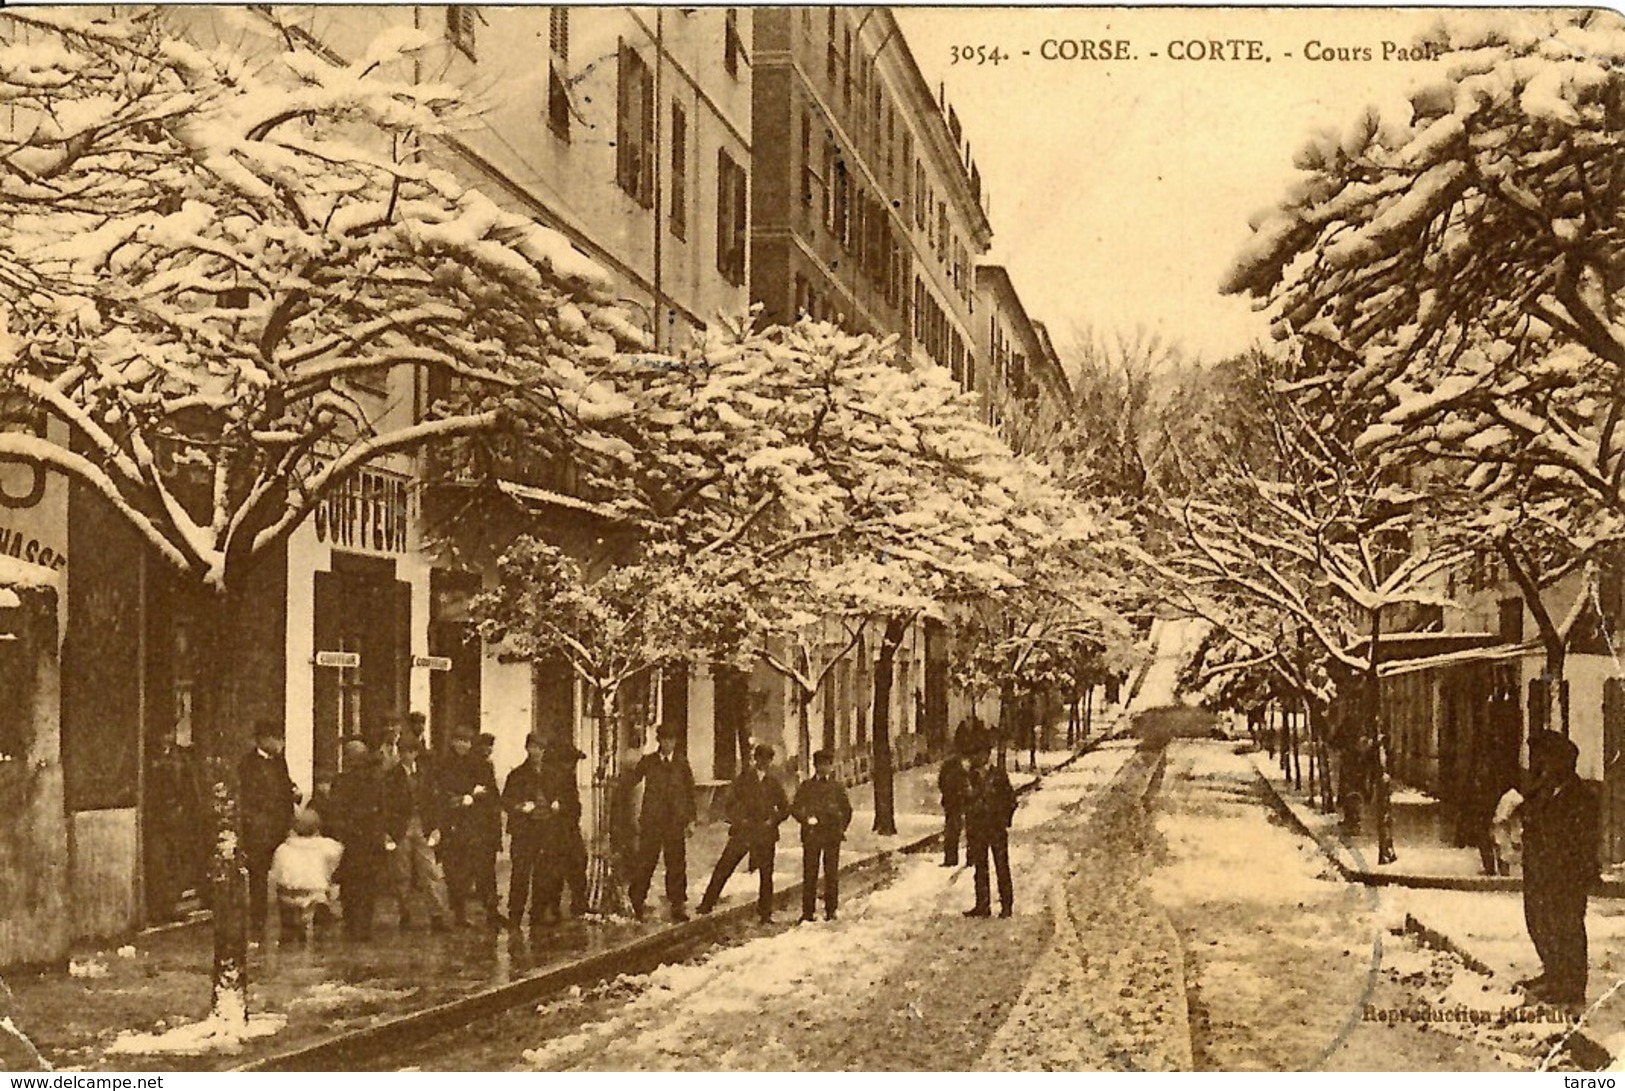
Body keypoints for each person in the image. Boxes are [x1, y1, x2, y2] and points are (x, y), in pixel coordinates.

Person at [1518, 730, 1599, 1007]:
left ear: (1562, 764)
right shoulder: (1541, 791)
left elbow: (1584, 842)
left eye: (1545, 759)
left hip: (1565, 876)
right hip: (1540, 872)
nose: (1539, 764)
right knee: (1540, 924)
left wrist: (1583, 874)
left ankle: (1571, 987)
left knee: (1567, 928)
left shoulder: (1582, 798)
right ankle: (1552, 975)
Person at [697, 744, 790, 922]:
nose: (764, 762)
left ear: (771, 761)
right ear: (756, 759)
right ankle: (706, 904)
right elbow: (730, 804)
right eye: (760, 758)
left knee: (766, 874)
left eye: (767, 759)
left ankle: (765, 913)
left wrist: (773, 820)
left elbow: (785, 808)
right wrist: (740, 820)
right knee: (724, 867)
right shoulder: (744, 779)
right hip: (744, 832)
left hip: (765, 833)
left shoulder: (773, 782)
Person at [627, 724, 697, 922]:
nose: (668, 744)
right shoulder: (649, 762)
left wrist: (691, 820)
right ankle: (637, 901)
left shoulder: (682, 763)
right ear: (659, 741)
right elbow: (632, 780)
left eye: (672, 740)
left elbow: (690, 792)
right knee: (646, 862)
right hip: (653, 822)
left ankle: (677, 905)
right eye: (665, 740)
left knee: (676, 863)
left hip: (675, 822)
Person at [383, 732, 452, 931]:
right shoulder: (392, 776)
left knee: (429, 870)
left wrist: (436, 827)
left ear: (416, 753)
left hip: (422, 825)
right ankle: (405, 913)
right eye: (403, 751)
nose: (407, 756)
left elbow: (435, 802)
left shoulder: (425, 775)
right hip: (401, 827)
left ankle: (437, 914)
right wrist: (388, 831)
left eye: (411, 752)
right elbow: (386, 805)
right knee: (402, 872)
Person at [238, 721, 298, 935]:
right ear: (263, 739)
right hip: (260, 828)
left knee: (286, 873)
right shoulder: (248, 764)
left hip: (280, 826)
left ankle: (289, 921)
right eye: (277, 738)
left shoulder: (279, 761)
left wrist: (293, 791)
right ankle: (258, 921)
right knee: (258, 876)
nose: (280, 743)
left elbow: (285, 785)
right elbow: (247, 798)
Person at [437, 726, 501, 926]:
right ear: (452, 742)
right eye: (459, 740)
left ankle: (491, 912)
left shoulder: (480, 765)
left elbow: (491, 793)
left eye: (466, 741)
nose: (462, 745)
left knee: (484, 871)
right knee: (457, 872)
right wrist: (463, 797)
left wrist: (474, 796)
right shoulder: (444, 764)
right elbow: (441, 792)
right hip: (455, 825)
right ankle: (459, 913)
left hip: (477, 826)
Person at [328, 737, 388, 939]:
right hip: (364, 839)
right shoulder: (373, 780)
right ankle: (362, 926)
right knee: (366, 885)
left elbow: (337, 810)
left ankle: (354, 924)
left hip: (354, 839)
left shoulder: (344, 780)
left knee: (353, 885)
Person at [791, 749, 852, 922]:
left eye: (827, 764)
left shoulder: (837, 787)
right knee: (810, 873)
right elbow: (795, 808)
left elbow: (847, 810)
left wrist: (841, 829)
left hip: (832, 836)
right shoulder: (806, 786)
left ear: (831, 766)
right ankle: (807, 912)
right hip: (812, 835)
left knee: (831, 874)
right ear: (815, 766)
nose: (824, 768)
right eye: (820, 764)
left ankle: (831, 910)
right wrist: (805, 819)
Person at [963, 734, 1018, 918]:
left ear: (987, 755)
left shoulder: (999, 775)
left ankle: (1007, 905)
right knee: (980, 868)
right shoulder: (970, 777)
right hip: (978, 829)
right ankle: (982, 905)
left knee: (1001, 867)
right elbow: (964, 802)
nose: (976, 758)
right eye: (974, 755)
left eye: (979, 754)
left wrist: (1003, 820)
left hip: (996, 828)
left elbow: (1011, 800)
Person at [269, 808, 344, 940]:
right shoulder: (329, 846)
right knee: (325, 887)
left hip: (289, 893)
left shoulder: (282, 849)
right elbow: (337, 860)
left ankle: (290, 926)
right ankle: (320, 919)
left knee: (284, 891)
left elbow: (275, 874)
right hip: (317, 892)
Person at [503, 734, 553, 930]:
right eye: (532, 747)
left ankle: (537, 914)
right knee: (520, 874)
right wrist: (520, 807)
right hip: (524, 831)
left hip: (544, 830)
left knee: (542, 874)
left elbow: (559, 797)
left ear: (544, 751)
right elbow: (506, 801)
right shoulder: (516, 775)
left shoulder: (551, 774)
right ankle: (515, 915)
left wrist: (556, 804)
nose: (536, 752)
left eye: (539, 748)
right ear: (527, 748)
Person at [539, 742, 588, 920]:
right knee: (555, 868)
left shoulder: (568, 776)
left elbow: (574, 805)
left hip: (570, 828)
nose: (574, 766)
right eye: (571, 761)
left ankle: (578, 901)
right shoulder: (552, 777)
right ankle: (552, 906)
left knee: (579, 861)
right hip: (556, 831)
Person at [473, 734, 503, 921]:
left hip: (490, 824)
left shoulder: (488, 764)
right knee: (483, 867)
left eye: (490, 746)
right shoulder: (477, 765)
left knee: (487, 866)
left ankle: (489, 904)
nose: (488, 749)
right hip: (479, 824)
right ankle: (488, 905)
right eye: (484, 746)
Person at [937, 749, 969, 868]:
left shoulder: (947, 768)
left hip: (951, 802)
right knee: (961, 828)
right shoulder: (961, 768)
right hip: (958, 801)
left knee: (951, 830)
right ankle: (970, 857)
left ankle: (951, 858)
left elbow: (941, 783)